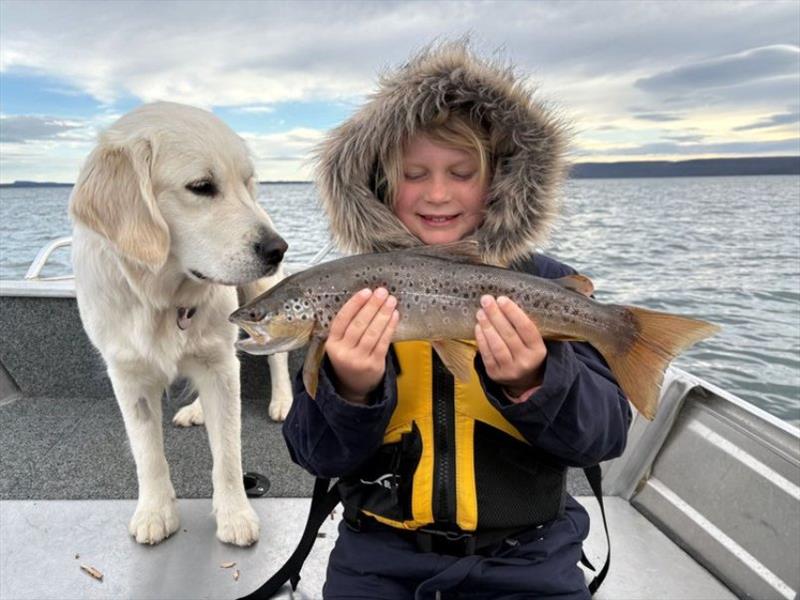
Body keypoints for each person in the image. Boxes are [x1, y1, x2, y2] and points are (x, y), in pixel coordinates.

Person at [283, 42, 632, 599]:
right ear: (378, 183)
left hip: (530, 559)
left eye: (462, 172)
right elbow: (313, 454)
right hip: (377, 557)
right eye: (414, 174)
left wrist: (535, 380)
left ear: (498, 181)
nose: (438, 193)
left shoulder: (546, 282)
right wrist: (348, 388)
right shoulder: (346, 292)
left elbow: (605, 436)